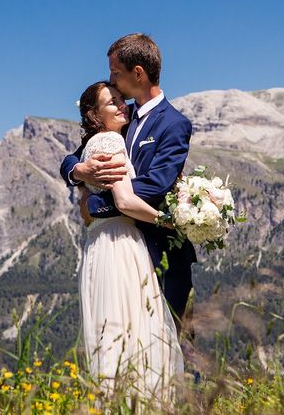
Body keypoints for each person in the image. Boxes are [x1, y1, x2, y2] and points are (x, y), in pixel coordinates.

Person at [61, 33, 198, 329]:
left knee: (171, 341)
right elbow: (70, 159)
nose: (110, 78)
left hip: (163, 252)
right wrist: (80, 171)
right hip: (124, 252)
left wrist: (96, 204)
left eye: (115, 73)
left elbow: (155, 184)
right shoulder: (121, 116)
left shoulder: (174, 124)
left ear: (138, 73)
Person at [72, 80, 183, 402]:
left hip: (103, 242)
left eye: (122, 98)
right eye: (113, 102)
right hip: (120, 242)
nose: (123, 105)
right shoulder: (108, 140)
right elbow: (124, 202)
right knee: (133, 328)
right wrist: (172, 222)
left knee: (113, 329)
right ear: (94, 114)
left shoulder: (97, 141)